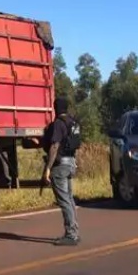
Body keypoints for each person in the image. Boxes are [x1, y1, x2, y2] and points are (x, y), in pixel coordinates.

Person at [42, 96, 82, 246]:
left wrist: (48, 168)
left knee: (64, 200)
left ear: (56, 108)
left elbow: (54, 146)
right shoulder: (73, 122)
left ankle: (71, 235)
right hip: (71, 162)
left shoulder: (59, 124)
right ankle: (74, 232)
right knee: (69, 199)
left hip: (60, 166)